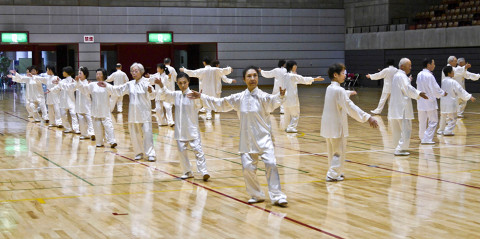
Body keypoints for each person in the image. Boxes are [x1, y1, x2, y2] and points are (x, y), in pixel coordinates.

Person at [188, 66, 288, 207]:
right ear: (244, 79)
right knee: (248, 168)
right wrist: (201, 97)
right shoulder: (239, 98)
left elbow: (274, 101)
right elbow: (220, 103)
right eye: (249, 76)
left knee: (271, 164)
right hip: (246, 140)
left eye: (255, 75)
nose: (252, 78)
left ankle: (277, 196)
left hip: (264, 139)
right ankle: (256, 194)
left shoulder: (264, 97)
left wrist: (281, 96)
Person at [320, 63, 378, 182]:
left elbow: (339, 96)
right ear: (335, 75)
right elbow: (350, 107)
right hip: (337, 126)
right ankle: (332, 174)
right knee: (338, 151)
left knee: (332, 151)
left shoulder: (330, 88)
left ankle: (335, 172)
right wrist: (368, 117)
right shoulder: (339, 90)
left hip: (328, 126)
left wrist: (348, 93)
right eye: (343, 74)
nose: (345, 76)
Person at [154, 72, 210, 181]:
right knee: (181, 151)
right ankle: (187, 171)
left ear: (188, 82)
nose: (182, 85)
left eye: (184, 82)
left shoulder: (193, 95)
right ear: (177, 84)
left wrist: (199, 98)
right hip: (180, 130)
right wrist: (161, 84)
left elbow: (200, 106)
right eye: (180, 83)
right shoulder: (176, 95)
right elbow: (166, 94)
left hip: (192, 129)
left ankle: (204, 172)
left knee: (198, 151)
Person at [99, 63, 156, 161]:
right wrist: (107, 85)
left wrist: (151, 91)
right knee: (134, 134)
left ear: (141, 72)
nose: (133, 73)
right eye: (132, 71)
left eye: (136, 71)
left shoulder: (146, 83)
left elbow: (152, 97)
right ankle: (139, 152)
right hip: (133, 114)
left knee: (147, 133)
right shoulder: (130, 84)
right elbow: (117, 90)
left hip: (144, 114)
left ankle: (150, 153)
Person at [388, 58, 428, 156]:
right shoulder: (401, 76)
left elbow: (404, 87)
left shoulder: (398, 76)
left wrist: (408, 80)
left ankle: (398, 147)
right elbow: (407, 88)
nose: (410, 67)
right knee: (406, 129)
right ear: (402, 66)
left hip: (395, 108)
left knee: (397, 130)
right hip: (402, 107)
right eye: (409, 65)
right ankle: (400, 149)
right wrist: (418, 93)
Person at [76, 68, 117, 148]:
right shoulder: (92, 85)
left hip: (105, 110)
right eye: (97, 74)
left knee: (108, 126)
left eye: (100, 74)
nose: (98, 75)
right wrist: (78, 82)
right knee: (97, 126)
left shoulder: (107, 86)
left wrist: (111, 107)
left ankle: (112, 141)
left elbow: (114, 94)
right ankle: (99, 142)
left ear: (104, 75)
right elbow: (84, 90)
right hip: (95, 110)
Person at [51, 67, 95, 140]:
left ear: (85, 74)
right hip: (79, 105)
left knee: (89, 119)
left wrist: (77, 82)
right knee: (81, 120)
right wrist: (60, 83)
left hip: (87, 105)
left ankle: (92, 133)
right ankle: (84, 134)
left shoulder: (88, 83)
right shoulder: (76, 82)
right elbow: (69, 87)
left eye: (80, 73)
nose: (79, 75)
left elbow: (84, 89)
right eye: (78, 73)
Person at [280, 60, 324, 133]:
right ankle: (291, 127)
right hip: (291, 97)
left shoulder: (284, 76)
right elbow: (303, 79)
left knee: (287, 113)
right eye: (295, 65)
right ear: (293, 66)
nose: (296, 67)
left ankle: (286, 126)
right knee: (295, 113)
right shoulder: (293, 76)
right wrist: (315, 79)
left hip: (284, 97)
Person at [438, 66, 476, 136]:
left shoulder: (443, 81)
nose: (453, 72)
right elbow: (460, 91)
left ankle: (441, 130)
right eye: (452, 71)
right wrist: (469, 96)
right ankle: (448, 131)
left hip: (443, 102)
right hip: (450, 102)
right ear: (449, 73)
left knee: (443, 117)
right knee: (453, 118)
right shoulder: (453, 81)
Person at [416, 58, 446, 144]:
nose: (434, 65)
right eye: (433, 63)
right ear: (428, 65)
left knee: (422, 121)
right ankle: (427, 138)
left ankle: (422, 137)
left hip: (421, 101)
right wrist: (443, 93)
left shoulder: (419, 74)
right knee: (433, 121)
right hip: (429, 101)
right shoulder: (429, 76)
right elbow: (435, 88)